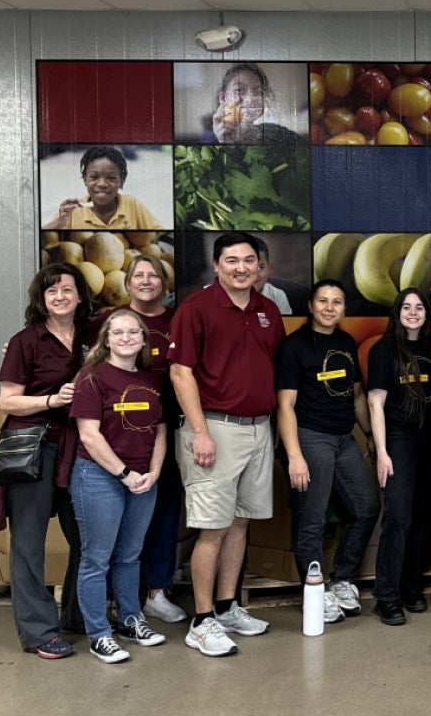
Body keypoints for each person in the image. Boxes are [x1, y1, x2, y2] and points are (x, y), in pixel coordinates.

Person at [169, 231, 286, 657]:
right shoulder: (196, 309)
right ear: (217, 266)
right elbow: (181, 374)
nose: (241, 268)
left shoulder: (268, 311)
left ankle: (226, 606)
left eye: (249, 261)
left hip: (259, 428)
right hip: (214, 429)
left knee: (241, 522)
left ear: (260, 266)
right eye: (232, 261)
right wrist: (200, 431)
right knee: (213, 528)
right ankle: (201, 622)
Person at [0, 262, 93, 659]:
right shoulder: (25, 341)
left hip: (82, 448)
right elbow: (8, 399)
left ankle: (77, 616)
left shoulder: (93, 337)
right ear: (41, 299)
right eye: (51, 291)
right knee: (29, 544)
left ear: (80, 296)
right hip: (35, 447)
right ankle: (38, 632)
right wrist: (51, 400)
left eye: (67, 289)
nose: (60, 296)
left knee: (86, 538)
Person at [88, 255, 187, 624]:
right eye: (138, 275)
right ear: (128, 282)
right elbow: (76, 354)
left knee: (162, 514)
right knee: (113, 521)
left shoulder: (178, 320)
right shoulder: (107, 320)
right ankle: (114, 597)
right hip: (115, 435)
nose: (146, 281)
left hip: (166, 431)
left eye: (154, 275)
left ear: (165, 282)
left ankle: (156, 592)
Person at [275, 279, 379, 625]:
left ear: (344, 308)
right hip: (310, 438)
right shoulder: (294, 347)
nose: (329, 307)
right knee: (312, 518)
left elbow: (358, 394)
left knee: (366, 507)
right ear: (310, 305)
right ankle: (314, 591)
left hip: (344, 438)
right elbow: (285, 406)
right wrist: (295, 455)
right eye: (323, 301)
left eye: (337, 301)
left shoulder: (347, 342)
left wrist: (369, 436)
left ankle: (343, 579)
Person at [69, 309, 167, 663]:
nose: (126, 337)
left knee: (130, 555)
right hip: (99, 478)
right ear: (106, 339)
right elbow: (89, 436)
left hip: (143, 480)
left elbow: (160, 429)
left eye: (133, 332)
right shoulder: (91, 377)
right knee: (96, 559)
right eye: (118, 332)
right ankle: (99, 633)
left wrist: (154, 472)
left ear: (143, 339)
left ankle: (131, 619)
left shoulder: (153, 380)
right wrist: (125, 474)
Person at [367, 288, 431, 625]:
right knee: (398, 515)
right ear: (397, 311)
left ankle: (412, 587)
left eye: (419, 308)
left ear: (427, 314)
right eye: (406, 307)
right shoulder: (383, 349)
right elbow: (375, 404)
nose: (413, 312)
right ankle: (387, 596)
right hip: (398, 439)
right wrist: (382, 452)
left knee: (424, 515)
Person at [44, 146, 163, 230]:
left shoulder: (132, 204)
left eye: (111, 178)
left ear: (121, 182)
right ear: (85, 180)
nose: (102, 184)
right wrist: (59, 223)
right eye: (94, 177)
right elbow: (40, 239)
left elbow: (157, 231)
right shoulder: (73, 212)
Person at [212, 62, 272, 144]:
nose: (250, 100)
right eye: (239, 90)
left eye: (257, 92)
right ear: (223, 98)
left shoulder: (280, 134)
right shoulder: (208, 143)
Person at [254, 237, 293, 315]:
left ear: (269, 268)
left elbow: (284, 326)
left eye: (261, 267)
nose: (255, 275)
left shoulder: (278, 296)